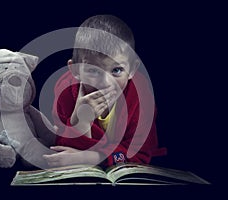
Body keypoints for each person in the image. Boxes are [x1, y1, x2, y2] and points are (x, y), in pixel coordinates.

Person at [43, 15, 166, 169]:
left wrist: (89, 157)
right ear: (75, 69)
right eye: (93, 71)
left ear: (132, 69)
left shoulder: (141, 95)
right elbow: (63, 147)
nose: (106, 83)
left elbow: (140, 154)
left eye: (117, 70)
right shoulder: (65, 91)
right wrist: (80, 121)